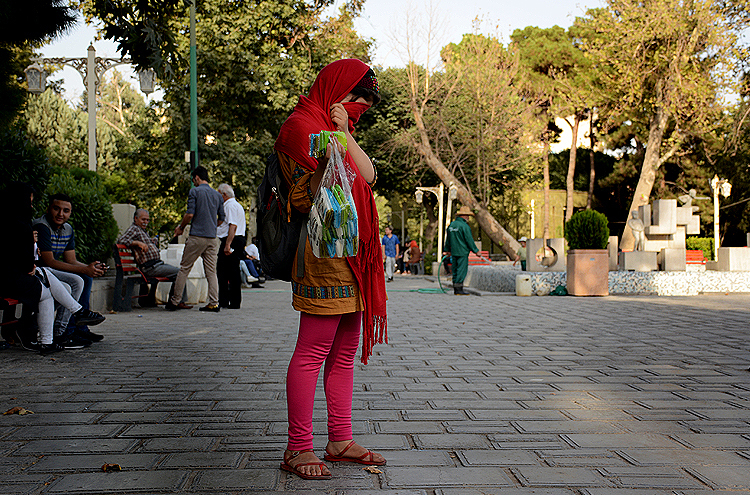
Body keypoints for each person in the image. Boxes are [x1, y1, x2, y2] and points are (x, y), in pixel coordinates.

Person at [274, 59, 388, 480]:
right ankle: (297, 446)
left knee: (343, 353)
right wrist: (328, 154)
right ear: (336, 90)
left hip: (355, 257)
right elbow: (302, 200)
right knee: (312, 351)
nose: (358, 110)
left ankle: (339, 439)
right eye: (356, 100)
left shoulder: (337, 130)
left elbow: (368, 176)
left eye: (364, 107)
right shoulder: (299, 129)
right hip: (323, 256)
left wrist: (343, 135)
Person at [0, 183, 105, 355]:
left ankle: (51, 339)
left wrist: (88, 268)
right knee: (49, 283)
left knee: (60, 284)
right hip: (11, 278)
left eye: (66, 211)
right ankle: (68, 322)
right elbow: (32, 261)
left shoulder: (16, 222)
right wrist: (31, 247)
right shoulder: (23, 224)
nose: (31, 206)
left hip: (18, 275)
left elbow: (27, 257)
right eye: (29, 202)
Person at [33, 193, 106, 345]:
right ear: (48, 209)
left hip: (52, 271)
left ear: (70, 213)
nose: (61, 214)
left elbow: (71, 260)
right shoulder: (42, 226)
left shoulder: (67, 229)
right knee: (77, 280)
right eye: (56, 209)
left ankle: (79, 327)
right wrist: (85, 270)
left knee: (86, 277)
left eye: (66, 211)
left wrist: (91, 268)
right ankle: (66, 330)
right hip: (40, 271)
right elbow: (49, 262)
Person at [167, 166, 225, 312]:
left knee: (184, 269)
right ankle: (214, 303)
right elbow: (222, 218)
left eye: (194, 180)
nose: (194, 183)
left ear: (197, 178)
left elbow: (189, 214)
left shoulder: (195, 192)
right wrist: (212, 225)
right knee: (211, 272)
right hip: (212, 238)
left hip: (197, 236)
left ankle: (175, 301)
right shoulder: (217, 195)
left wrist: (181, 227)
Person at [118, 208, 191, 308]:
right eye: (143, 219)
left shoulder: (142, 230)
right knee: (180, 273)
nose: (146, 222)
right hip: (150, 267)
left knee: (179, 273)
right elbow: (121, 240)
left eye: (147, 220)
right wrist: (137, 243)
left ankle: (175, 300)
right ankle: (176, 301)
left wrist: (151, 242)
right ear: (136, 218)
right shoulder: (134, 229)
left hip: (156, 264)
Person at [216, 184, 246, 309]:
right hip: (236, 239)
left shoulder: (229, 206)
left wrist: (228, 244)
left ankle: (227, 300)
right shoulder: (236, 205)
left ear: (224, 194)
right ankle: (232, 301)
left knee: (224, 271)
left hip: (232, 239)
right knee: (232, 271)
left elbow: (233, 226)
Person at [443, 205, 480, 295]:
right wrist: (476, 251)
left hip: (454, 252)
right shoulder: (465, 226)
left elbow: (448, 239)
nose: (468, 218)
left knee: (455, 269)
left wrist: (447, 250)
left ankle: (456, 289)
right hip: (462, 251)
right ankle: (459, 289)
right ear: (464, 215)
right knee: (461, 270)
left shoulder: (452, 225)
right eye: (467, 216)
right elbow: (469, 240)